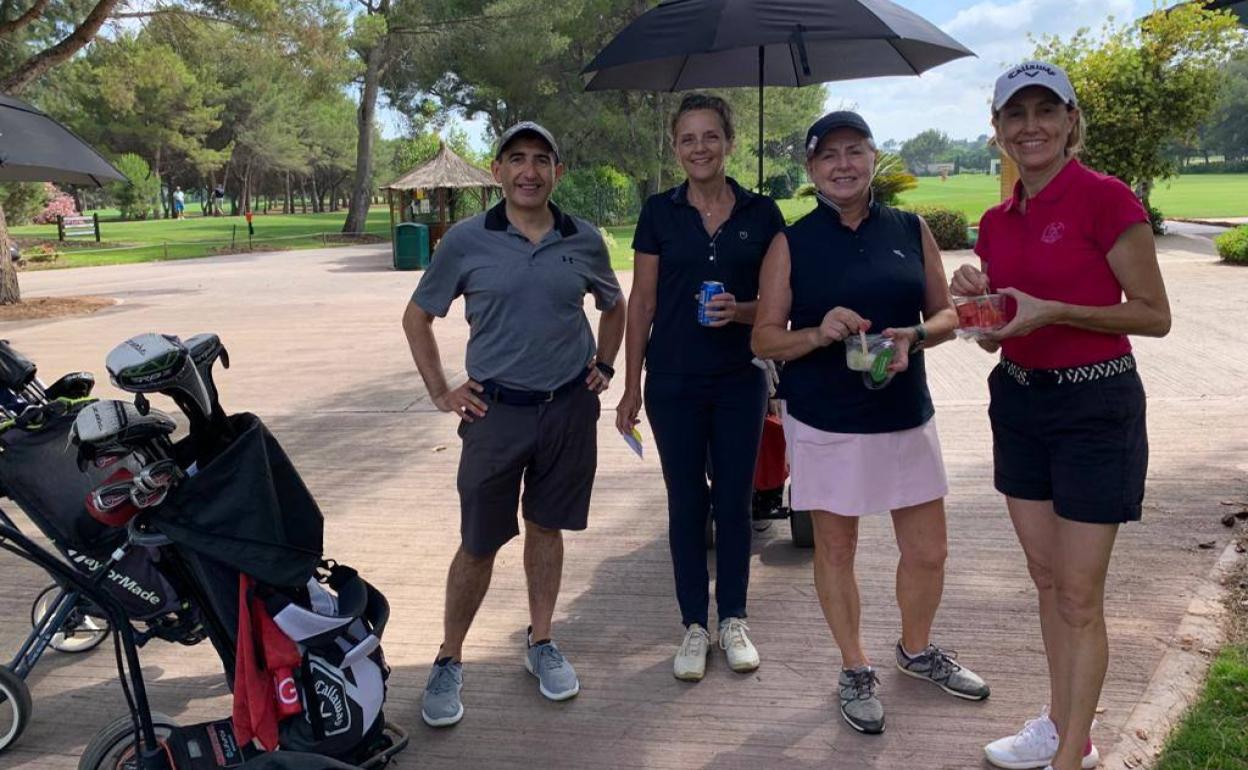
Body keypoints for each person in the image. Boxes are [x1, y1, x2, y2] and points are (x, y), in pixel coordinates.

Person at [956, 62, 1171, 770]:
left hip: (1095, 404)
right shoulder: (997, 219)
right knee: (1047, 579)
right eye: (1016, 115)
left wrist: (1059, 312)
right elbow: (995, 332)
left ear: (1072, 121)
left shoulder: (1106, 200)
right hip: (1019, 401)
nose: (1032, 126)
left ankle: (1071, 758)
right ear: (998, 133)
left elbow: (1153, 315)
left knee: (1080, 592)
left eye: (1047, 110)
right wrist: (978, 306)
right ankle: (1060, 724)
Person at [751, 111, 990, 735]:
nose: (842, 164)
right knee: (836, 547)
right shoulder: (792, 242)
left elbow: (946, 315)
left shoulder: (909, 229)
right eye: (827, 155)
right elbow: (766, 337)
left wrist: (913, 334)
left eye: (853, 151)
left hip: (904, 413)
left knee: (929, 551)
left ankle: (915, 649)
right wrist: (817, 331)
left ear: (872, 157)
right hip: (826, 420)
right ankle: (854, 667)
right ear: (811, 170)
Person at [402, 121, 626, 728]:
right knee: (478, 542)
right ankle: (450, 658)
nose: (530, 171)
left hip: (567, 411)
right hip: (493, 413)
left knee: (546, 528)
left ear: (558, 171)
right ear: (498, 171)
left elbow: (614, 304)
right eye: (517, 159)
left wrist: (605, 364)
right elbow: (417, 318)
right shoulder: (466, 241)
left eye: (542, 160)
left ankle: (542, 641)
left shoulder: (583, 239)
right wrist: (441, 391)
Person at [615, 93, 785, 682]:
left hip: (741, 379)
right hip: (673, 381)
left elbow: (781, 307)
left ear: (730, 142)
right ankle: (693, 624)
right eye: (687, 139)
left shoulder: (762, 215)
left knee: (735, 500)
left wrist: (740, 311)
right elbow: (642, 302)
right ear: (675, 146)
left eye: (710, 136)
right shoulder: (658, 212)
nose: (699, 148)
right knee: (686, 501)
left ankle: (733, 618)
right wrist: (630, 384)